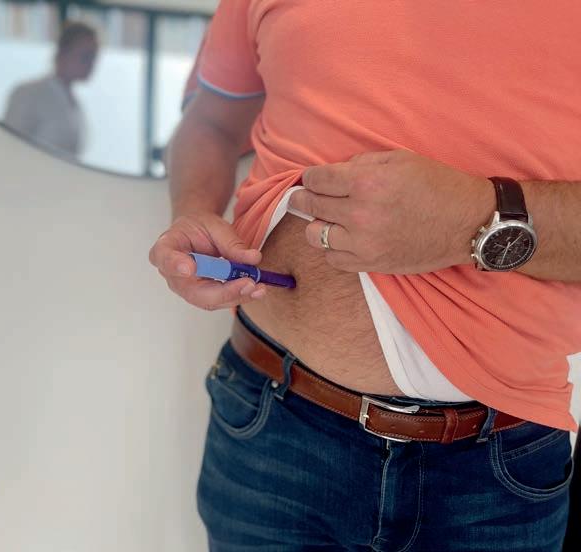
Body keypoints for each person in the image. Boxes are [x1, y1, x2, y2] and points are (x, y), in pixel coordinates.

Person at [149, 1, 581, 550]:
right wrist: (193, 211)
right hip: (267, 427)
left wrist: (472, 218)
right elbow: (211, 120)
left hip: (494, 469)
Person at [3, 21, 98, 159]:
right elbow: (9, 149)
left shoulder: (75, 103)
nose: (91, 64)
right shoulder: (28, 94)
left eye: (94, 57)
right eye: (86, 56)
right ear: (63, 53)